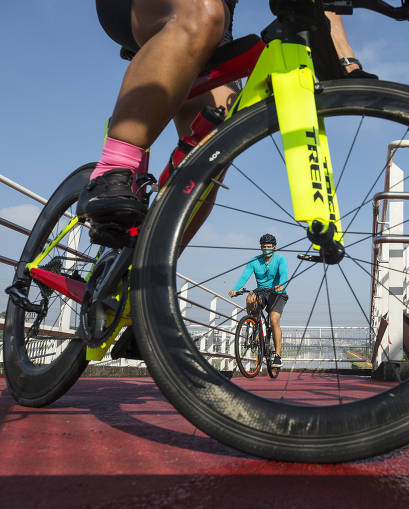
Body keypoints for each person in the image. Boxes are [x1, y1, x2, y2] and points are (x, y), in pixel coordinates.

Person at [79, 0, 375, 243]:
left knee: (215, 152)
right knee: (202, 14)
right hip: (150, 7)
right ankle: (112, 169)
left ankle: (146, 270)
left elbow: (322, 5)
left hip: (213, 29)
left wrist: (348, 63)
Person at [228, 233, 289, 367]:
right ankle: (254, 324)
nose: (266, 249)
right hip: (261, 291)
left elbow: (284, 274)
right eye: (263, 247)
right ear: (260, 247)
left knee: (273, 320)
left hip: (277, 292)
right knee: (250, 298)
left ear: (274, 247)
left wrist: (281, 285)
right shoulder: (254, 261)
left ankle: (278, 356)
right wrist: (235, 289)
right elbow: (244, 277)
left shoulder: (280, 259)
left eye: (269, 247)